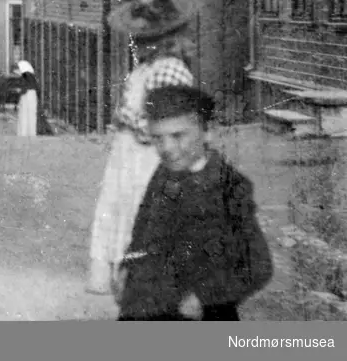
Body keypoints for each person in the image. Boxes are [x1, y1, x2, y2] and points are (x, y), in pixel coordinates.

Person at [115, 85, 272, 321]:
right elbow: (144, 226)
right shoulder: (164, 173)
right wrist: (128, 264)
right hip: (148, 305)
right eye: (158, 138)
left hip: (201, 313)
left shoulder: (229, 187)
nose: (167, 148)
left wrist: (206, 297)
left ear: (207, 132)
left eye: (178, 136)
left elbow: (258, 265)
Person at [88, 0, 197, 295]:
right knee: (125, 211)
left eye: (144, 37)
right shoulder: (146, 70)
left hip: (151, 160)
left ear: (164, 38)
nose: (136, 42)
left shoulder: (169, 71)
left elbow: (167, 124)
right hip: (131, 157)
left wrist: (128, 118)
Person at [15, 60, 38, 137]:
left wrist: (19, 90)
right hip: (32, 95)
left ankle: (23, 132)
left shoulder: (24, 76)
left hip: (26, 96)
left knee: (24, 114)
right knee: (31, 115)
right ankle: (31, 132)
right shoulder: (31, 76)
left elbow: (24, 88)